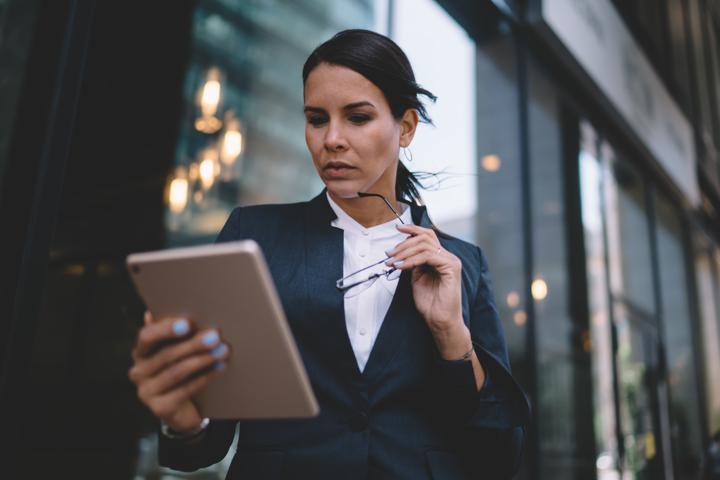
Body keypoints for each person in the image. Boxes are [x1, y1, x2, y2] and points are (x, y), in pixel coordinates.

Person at [128, 29, 529, 479]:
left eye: (357, 117)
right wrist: (185, 420)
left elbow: (501, 460)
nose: (332, 139)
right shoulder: (255, 236)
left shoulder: (462, 263)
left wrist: (451, 335)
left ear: (406, 127)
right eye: (317, 119)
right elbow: (204, 441)